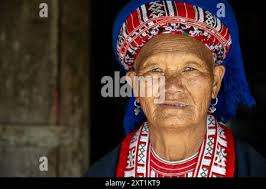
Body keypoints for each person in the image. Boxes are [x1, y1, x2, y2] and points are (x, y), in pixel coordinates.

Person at [87, 0, 266, 177]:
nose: (172, 86)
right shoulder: (102, 172)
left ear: (215, 82)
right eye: (155, 70)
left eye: (190, 69)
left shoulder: (255, 169)